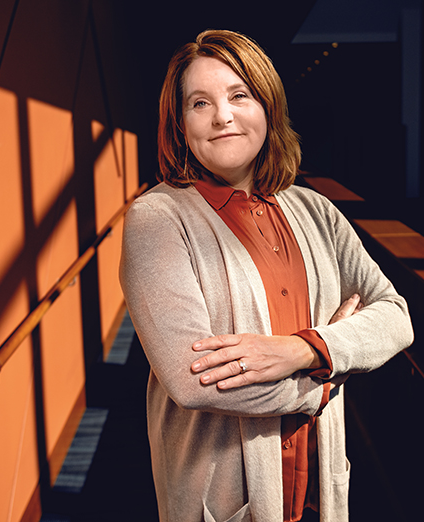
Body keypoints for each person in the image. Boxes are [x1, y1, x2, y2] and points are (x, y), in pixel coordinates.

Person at [119, 29, 413, 522]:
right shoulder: (157, 219)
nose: (222, 116)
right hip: (224, 499)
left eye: (240, 95)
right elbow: (194, 382)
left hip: (319, 490)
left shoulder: (315, 210)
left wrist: (302, 349)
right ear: (179, 124)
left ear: (268, 108)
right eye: (199, 103)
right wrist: (328, 377)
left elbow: (396, 317)